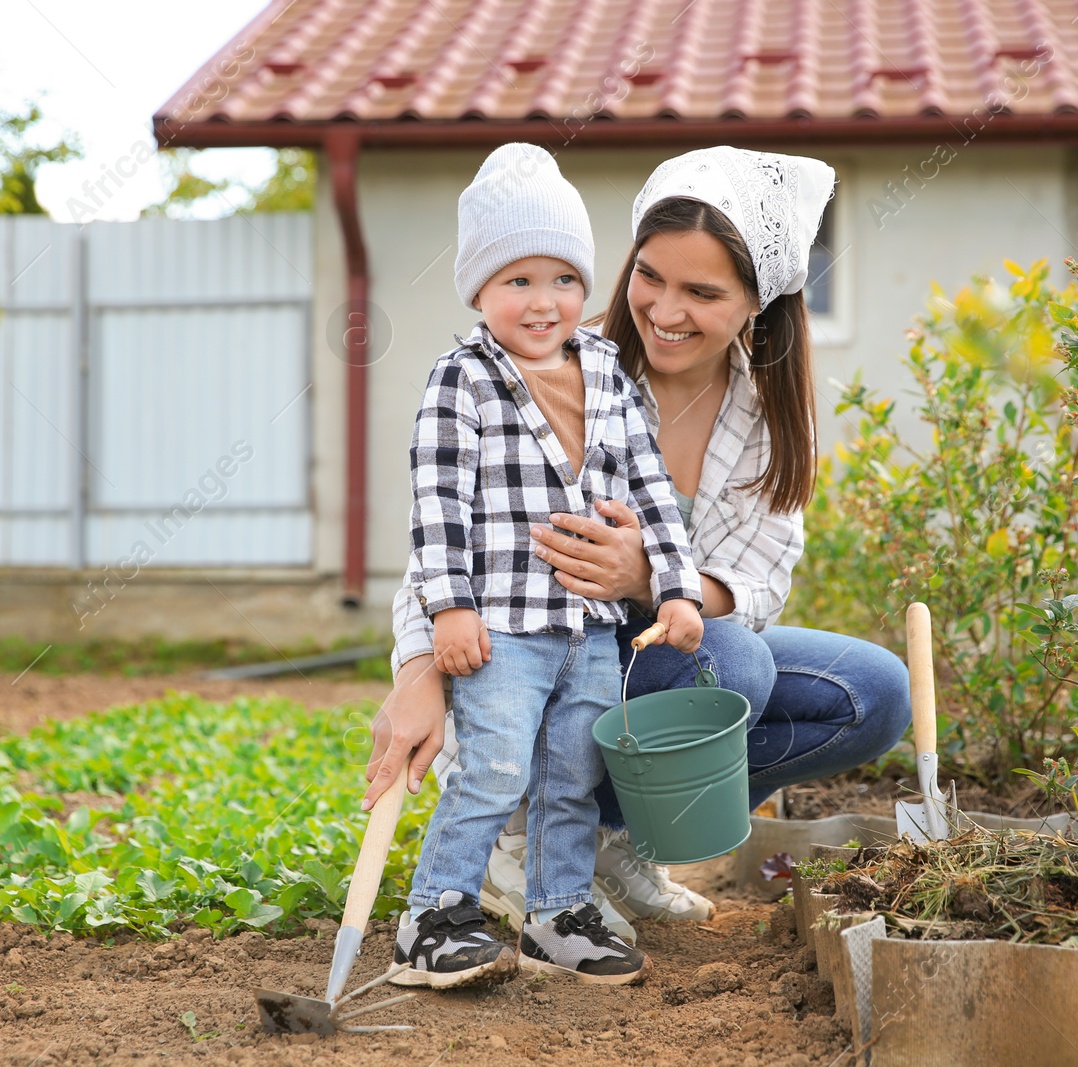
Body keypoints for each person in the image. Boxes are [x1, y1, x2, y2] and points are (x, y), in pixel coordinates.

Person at [370, 145, 912, 942]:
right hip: (534, 648)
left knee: (874, 692)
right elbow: (443, 530)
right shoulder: (554, 365)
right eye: (649, 276)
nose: (664, 309)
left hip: (657, 638)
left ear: (756, 303)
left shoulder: (764, 413)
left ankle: (608, 838)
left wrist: (651, 576)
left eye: (702, 291)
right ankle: (522, 840)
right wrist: (419, 668)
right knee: (728, 665)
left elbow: (761, 579)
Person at [386, 143, 705, 991]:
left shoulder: (608, 373)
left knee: (574, 771)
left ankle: (559, 911)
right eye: (517, 281)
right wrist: (448, 610)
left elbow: (653, 493)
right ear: (480, 290)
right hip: (503, 631)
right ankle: (435, 913)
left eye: (563, 279)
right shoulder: (463, 380)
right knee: (496, 768)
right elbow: (436, 506)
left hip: (590, 632)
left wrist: (673, 586)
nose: (543, 301)